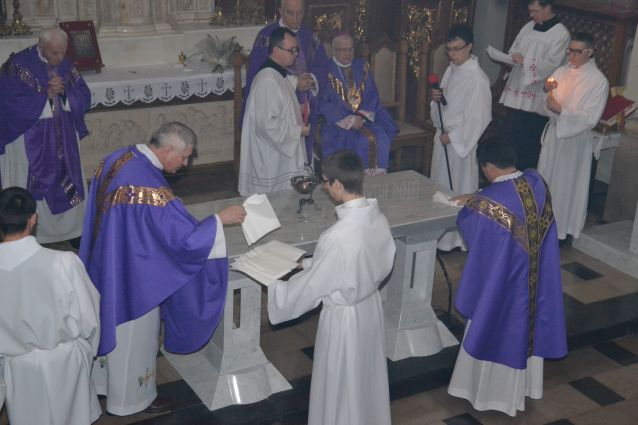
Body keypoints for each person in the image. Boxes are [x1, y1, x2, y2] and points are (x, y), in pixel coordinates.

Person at [79, 122, 246, 416]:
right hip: (136, 277)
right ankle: (132, 401)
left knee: (109, 327)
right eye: (184, 157)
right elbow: (182, 241)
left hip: (108, 263)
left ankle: (105, 385)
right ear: (167, 149)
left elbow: (139, 218)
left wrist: (171, 208)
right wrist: (219, 220)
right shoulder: (148, 185)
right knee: (135, 338)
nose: (185, 164)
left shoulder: (119, 158)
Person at [268, 150, 396, 425]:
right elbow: (355, 263)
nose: (324, 188)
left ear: (338, 183)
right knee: (365, 378)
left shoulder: (336, 236)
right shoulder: (378, 218)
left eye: (326, 182)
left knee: (342, 382)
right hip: (369, 309)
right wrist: (307, 264)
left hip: (344, 319)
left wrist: (276, 285)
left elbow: (313, 288)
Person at [447, 140, 567, 416]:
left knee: (495, 329)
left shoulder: (489, 203)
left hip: (503, 287)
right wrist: (478, 197)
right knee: (527, 330)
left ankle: (490, 397)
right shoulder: (537, 183)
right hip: (535, 284)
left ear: (488, 168)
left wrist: (475, 202)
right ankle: (526, 389)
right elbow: (509, 198)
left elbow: (473, 226)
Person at [0, 187, 101, 424]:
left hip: (18, 367)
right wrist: (87, 352)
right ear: (33, 219)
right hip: (65, 361)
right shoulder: (63, 262)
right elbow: (89, 318)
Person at [0, 27, 91, 244]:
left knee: (69, 181)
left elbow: (84, 95)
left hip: (63, 140)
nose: (60, 58)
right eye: (55, 53)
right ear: (41, 47)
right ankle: (28, 234)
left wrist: (65, 94)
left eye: (63, 52)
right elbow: (9, 103)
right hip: (28, 139)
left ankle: (73, 231)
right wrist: (45, 96)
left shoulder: (66, 65)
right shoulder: (17, 65)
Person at [537, 32, 609, 241]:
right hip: (554, 136)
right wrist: (545, 91)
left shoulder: (598, 81)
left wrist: (562, 111)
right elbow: (545, 102)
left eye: (577, 52)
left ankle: (560, 231)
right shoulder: (561, 71)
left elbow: (590, 117)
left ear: (590, 52)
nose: (571, 56)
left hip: (574, 142)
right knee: (546, 180)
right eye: (569, 51)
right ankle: (541, 226)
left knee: (565, 186)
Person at [244, 0, 329, 164]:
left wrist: (311, 79)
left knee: (301, 157)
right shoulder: (267, 37)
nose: (295, 18)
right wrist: (295, 82)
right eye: (290, 13)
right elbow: (260, 72)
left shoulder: (309, 36)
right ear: (280, 12)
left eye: (299, 13)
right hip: (274, 104)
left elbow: (322, 66)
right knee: (277, 160)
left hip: (305, 102)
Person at [430, 25, 491, 251]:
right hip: (444, 138)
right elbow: (446, 104)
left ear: (469, 47)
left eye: (457, 49)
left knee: (457, 188)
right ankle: (438, 236)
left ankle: (455, 240)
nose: (452, 54)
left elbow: (480, 118)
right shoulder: (451, 70)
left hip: (459, 143)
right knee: (441, 186)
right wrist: (436, 100)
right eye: (449, 49)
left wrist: (453, 137)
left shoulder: (478, 79)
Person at [499, 0, 570, 170]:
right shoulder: (528, 27)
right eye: (530, 11)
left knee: (529, 143)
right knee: (512, 137)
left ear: (548, 8)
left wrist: (525, 61)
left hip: (537, 95)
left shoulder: (561, 34)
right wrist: (512, 57)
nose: (531, 15)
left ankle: (526, 177)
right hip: (518, 89)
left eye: (535, 11)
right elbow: (514, 49)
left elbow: (552, 64)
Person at [239, 27, 309, 196]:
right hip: (270, 157)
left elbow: (280, 105)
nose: (296, 54)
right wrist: (299, 131)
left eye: (296, 49)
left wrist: (298, 109)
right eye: (292, 50)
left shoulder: (277, 73)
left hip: (278, 153)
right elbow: (267, 125)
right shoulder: (267, 80)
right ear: (276, 50)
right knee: (274, 200)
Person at [319, 33, 398, 175]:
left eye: (351, 49)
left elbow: (372, 94)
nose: (348, 53)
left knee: (379, 137)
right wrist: (349, 120)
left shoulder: (362, 66)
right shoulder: (325, 71)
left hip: (365, 119)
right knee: (356, 140)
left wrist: (361, 116)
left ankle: (375, 181)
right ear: (334, 50)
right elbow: (323, 102)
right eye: (343, 50)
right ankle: (351, 180)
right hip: (338, 122)